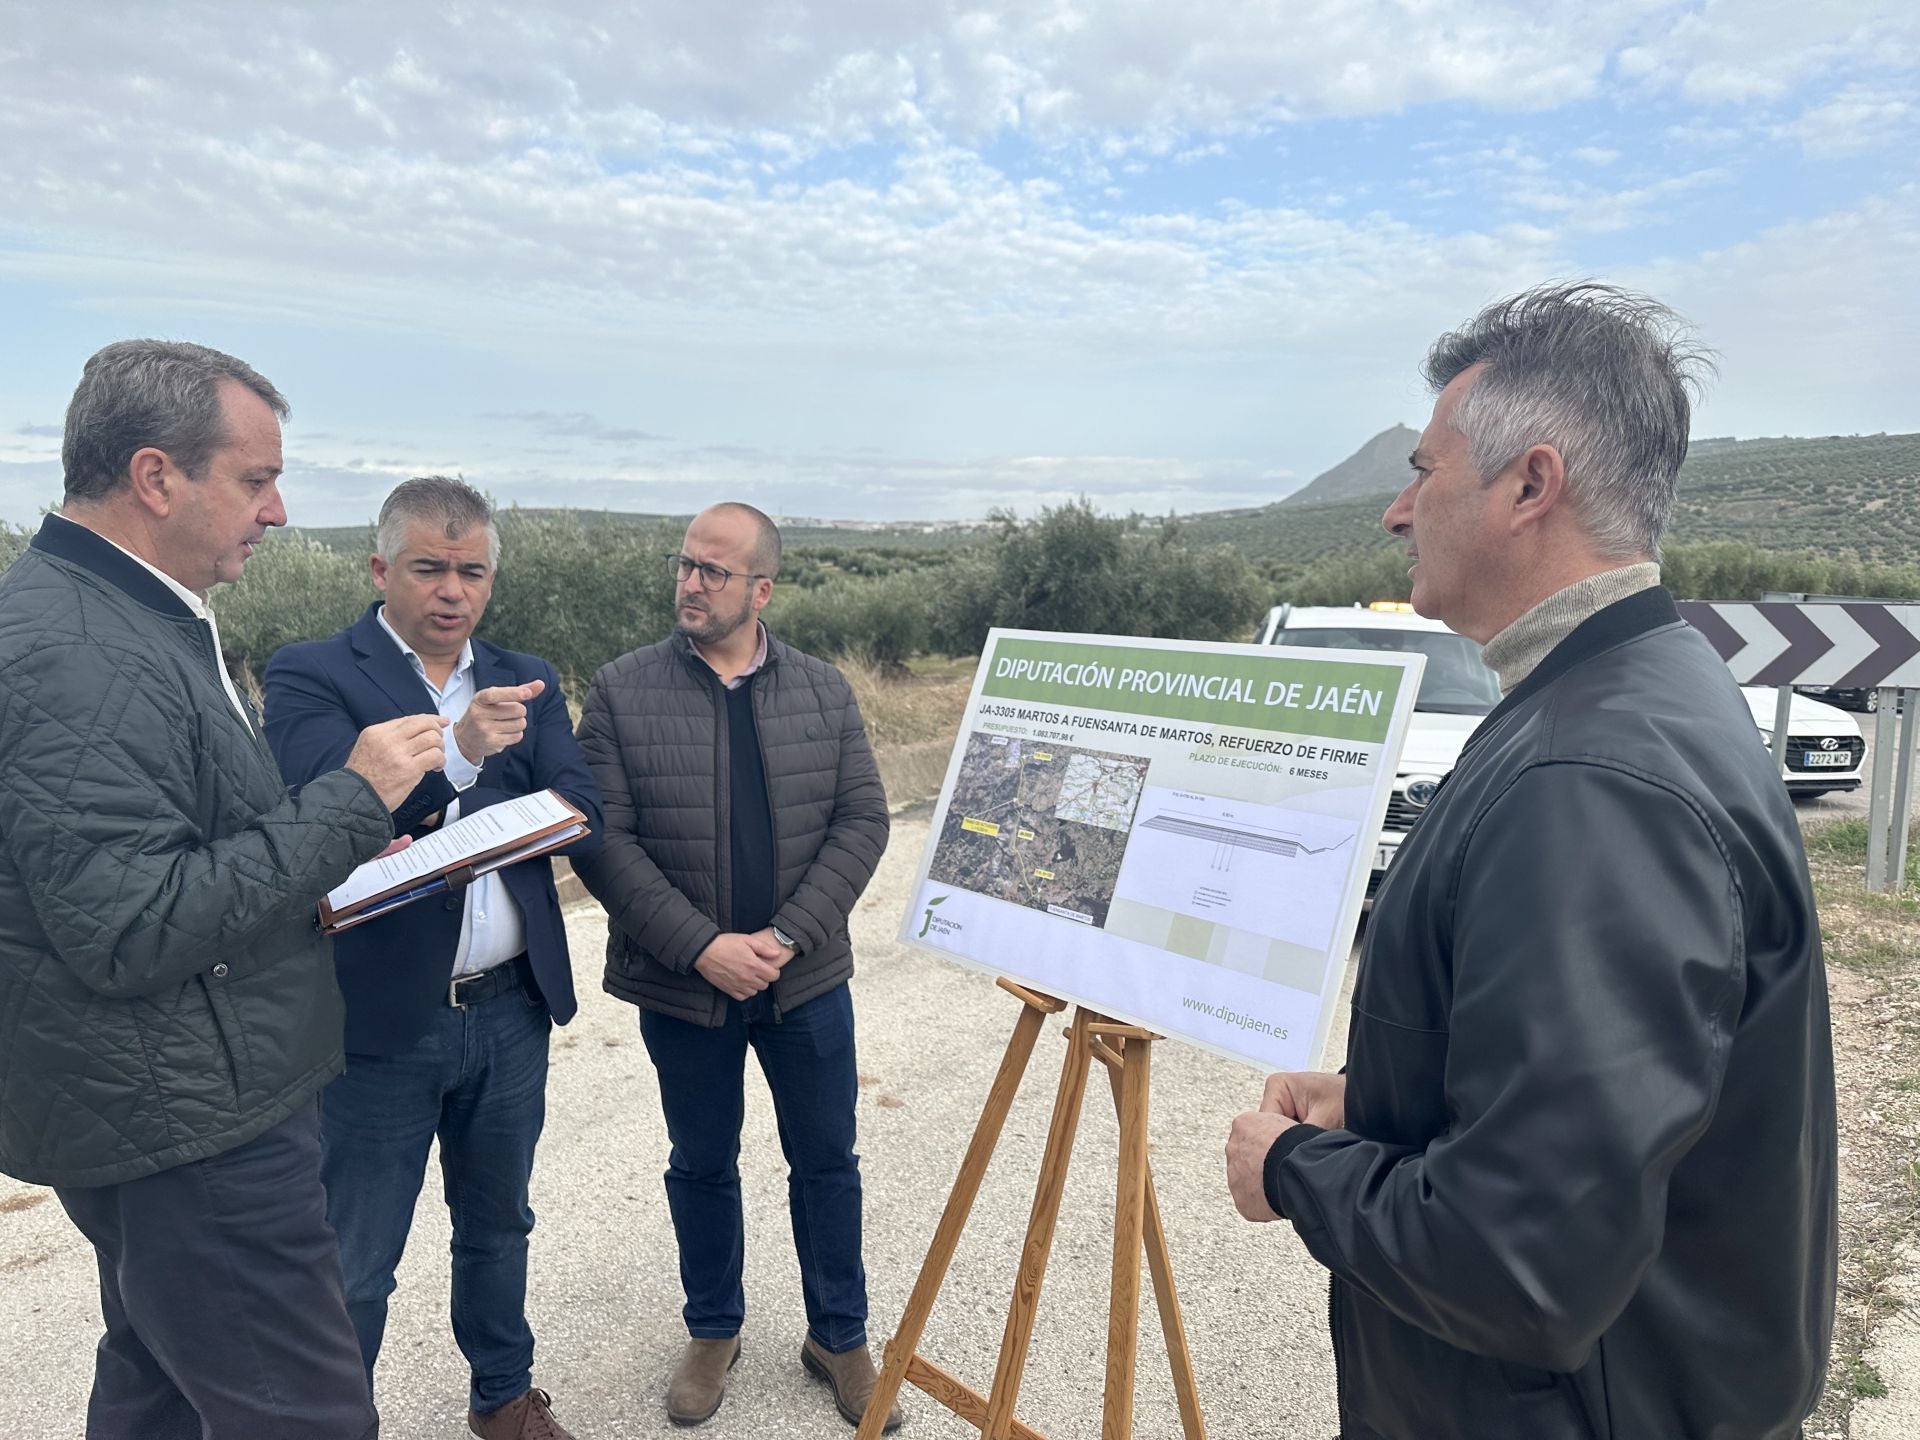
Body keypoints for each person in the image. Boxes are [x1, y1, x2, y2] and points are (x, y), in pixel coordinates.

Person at [1226, 282, 1837, 1439]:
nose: (1397, 511)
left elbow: (1519, 1261)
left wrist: (1297, 1167)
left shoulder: (1591, 777)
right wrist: (1385, 1104)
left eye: (1423, 470)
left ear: (1529, 484)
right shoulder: (1635, 686)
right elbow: (1612, 1101)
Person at [0, 340, 449, 1440]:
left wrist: (324, 855)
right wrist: (350, 803)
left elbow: (159, 855)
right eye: (256, 480)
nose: (278, 512)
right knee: (307, 1416)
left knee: (158, 1386)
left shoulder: (112, 614)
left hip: (164, 1100)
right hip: (191, 1120)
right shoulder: (82, 651)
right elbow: (129, 924)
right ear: (156, 477)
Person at [264, 476, 602, 1440]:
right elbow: (322, 809)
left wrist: (502, 817)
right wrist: (459, 755)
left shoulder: (525, 677)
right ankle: (333, 1423)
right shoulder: (311, 675)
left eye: (472, 571)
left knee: (500, 1227)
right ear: (381, 569)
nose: (453, 591)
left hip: (510, 1010)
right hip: (379, 1024)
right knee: (355, 1255)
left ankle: (503, 1397)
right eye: (428, 568)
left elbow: (580, 798)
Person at [573, 502, 896, 1430]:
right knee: (701, 1161)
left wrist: (787, 937)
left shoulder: (823, 690)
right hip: (684, 985)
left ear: (762, 590)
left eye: (713, 571)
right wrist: (701, 947)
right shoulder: (622, 690)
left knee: (826, 1160)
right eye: (685, 564)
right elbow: (602, 840)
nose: (691, 583)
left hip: (806, 980)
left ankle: (839, 1335)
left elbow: (863, 820)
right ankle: (713, 1329)